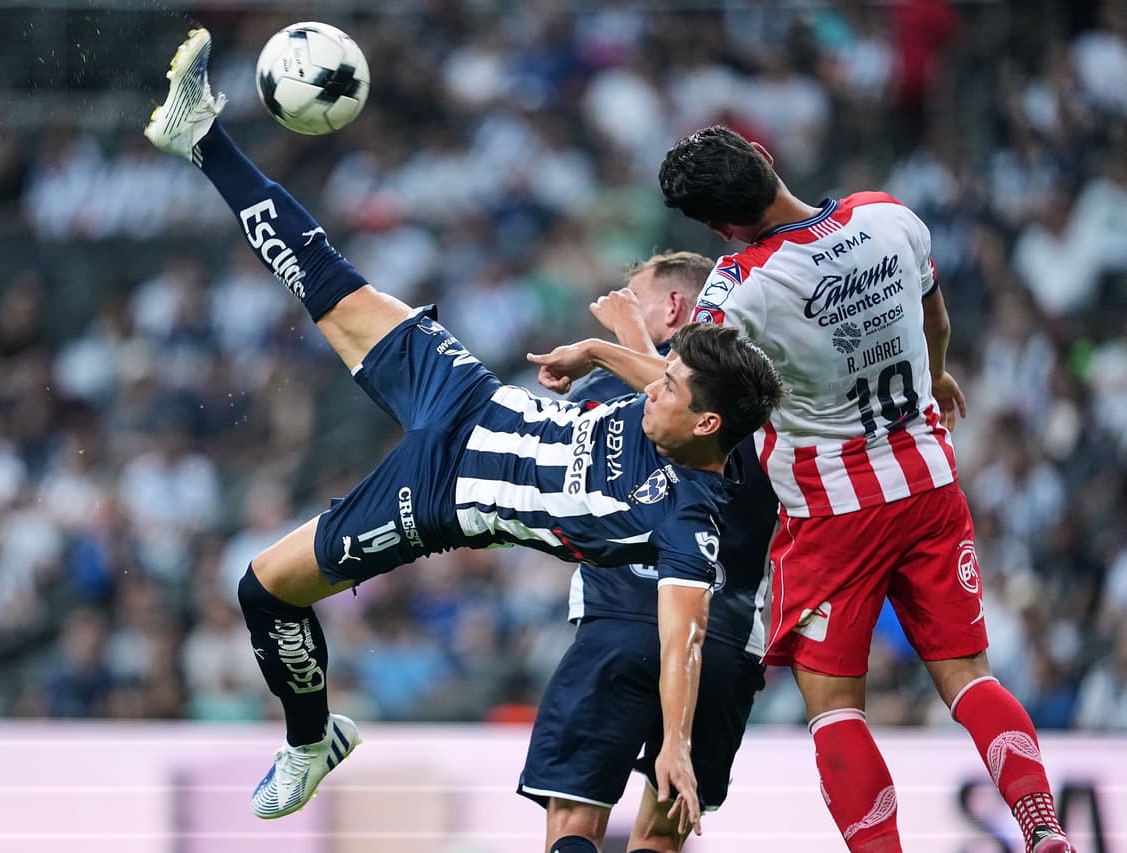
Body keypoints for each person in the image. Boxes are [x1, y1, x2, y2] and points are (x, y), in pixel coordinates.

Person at [143, 31, 786, 833]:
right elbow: (667, 374)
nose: (657, 378)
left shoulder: (693, 506)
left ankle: (310, 741)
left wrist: (678, 744)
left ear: (703, 413)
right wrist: (601, 348)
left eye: (670, 378)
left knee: (262, 586)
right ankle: (203, 137)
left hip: (445, 494)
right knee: (328, 283)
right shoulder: (669, 389)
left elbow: (685, 629)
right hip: (470, 398)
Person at [528, 125, 1075, 853]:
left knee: (835, 708)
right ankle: (1042, 824)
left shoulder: (739, 286)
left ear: (720, 227)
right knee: (970, 676)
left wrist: (601, 346)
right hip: (929, 482)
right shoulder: (886, 214)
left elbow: (679, 391)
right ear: (765, 158)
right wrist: (937, 374)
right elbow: (934, 316)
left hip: (832, 511)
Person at [518, 252, 779, 853]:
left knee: (574, 819)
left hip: (618, 624)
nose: (616, 308)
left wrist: (618, 341)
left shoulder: (609, 392)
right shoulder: (769, 398)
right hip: (722, 639)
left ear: (674, 306)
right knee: (661, 835)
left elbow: (656, 400)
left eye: (631, 298)